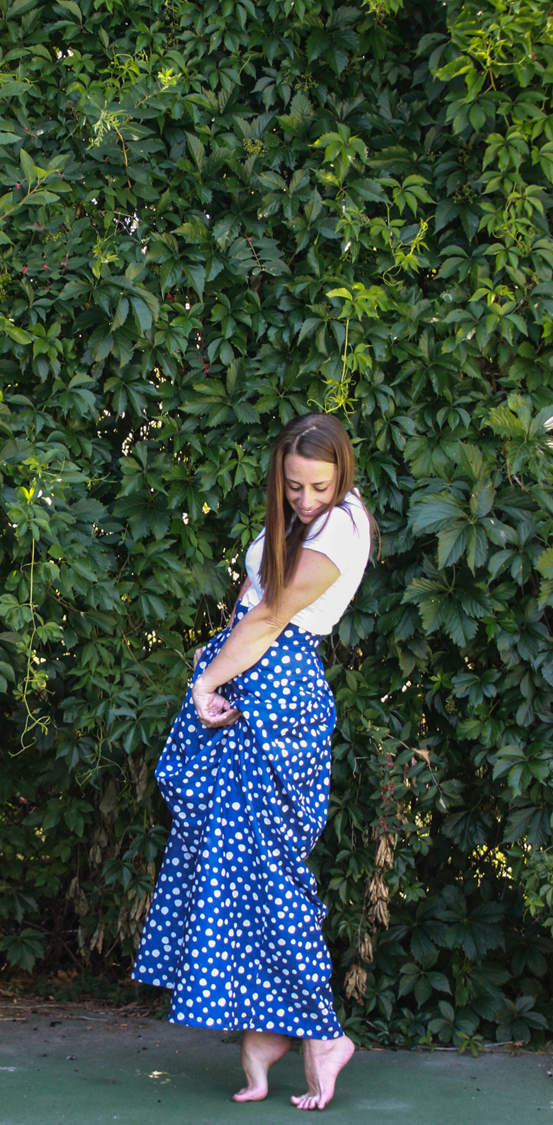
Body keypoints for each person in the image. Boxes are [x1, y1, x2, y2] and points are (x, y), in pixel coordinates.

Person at [131, 413, 376, 1110]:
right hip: (249, 684)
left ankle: (322, 1035)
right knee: (232, 858)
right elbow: (252, 607)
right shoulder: (303, 519)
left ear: (343, 475)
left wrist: (206, 680)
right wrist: (216, 671)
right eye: (293, 486)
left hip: (278, 693)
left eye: (318, 486)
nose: (305, 500)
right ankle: (268, 1030)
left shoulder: (343, 525)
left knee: (271, 865)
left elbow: (271, 618)